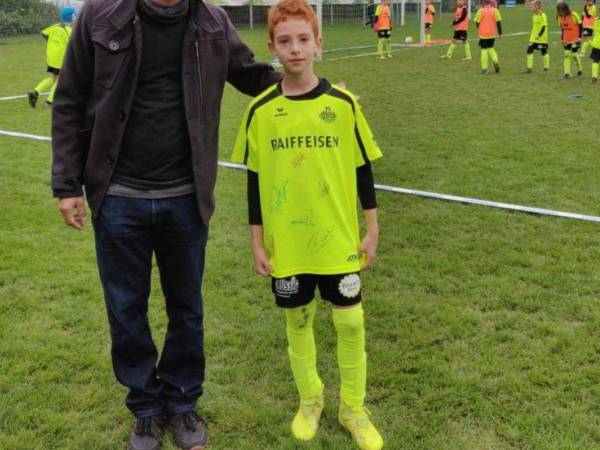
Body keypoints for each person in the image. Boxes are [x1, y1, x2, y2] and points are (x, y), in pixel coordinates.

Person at [50, 0, 281, 448]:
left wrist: (307, 84)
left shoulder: (212, 21)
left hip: (185, 198)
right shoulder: (100, 15)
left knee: (187, 309)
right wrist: (66, 184)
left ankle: (181, 402)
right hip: (117, 197)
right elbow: (70, 99)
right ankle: (145, 407)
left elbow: (252, 74)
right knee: (126, 311)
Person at [230, 0, 384, 448]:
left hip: (337, 237)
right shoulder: (260, 111)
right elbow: (254, 182)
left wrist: (371, 228)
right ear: (272, 48)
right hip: (289, 243)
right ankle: (310, 400)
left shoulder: (344, 105)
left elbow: (363, 170)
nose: (295, 49)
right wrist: (257, 241)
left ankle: (353, 409)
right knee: (297, 322)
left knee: (351, 324)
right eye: (285, 41)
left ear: (319, 43)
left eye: (303, 39)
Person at [27, 6, 76, 108]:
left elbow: (43, 33)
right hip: (60, 60)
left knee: (54, 79)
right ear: (73, 17)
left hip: (51, 59)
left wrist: (53, 44)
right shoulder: (69, 31)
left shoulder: (55, 26)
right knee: (60, 80)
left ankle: (35, 92)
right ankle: (49, 102)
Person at [474, 0, 503, 74]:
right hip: (492, 33)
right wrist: (500, 33)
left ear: (483, 2)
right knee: (491, 48)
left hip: (483, 34)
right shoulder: (495, 10)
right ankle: (495, 61)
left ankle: (484, 69)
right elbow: (498, 22)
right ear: (490, 2)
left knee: (484, 50)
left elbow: (477, 22)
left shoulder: (480, 10)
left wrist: (480, 29)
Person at [557, 1, 583, 78]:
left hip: (575, 39)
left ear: (565, 9)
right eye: (559, 11)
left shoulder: (574, 15)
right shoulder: (559, 17)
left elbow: (580, 25)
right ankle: (567, 73)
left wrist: (580, 37)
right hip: (566, 39)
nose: (560, 12)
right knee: (567, 55)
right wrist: (562, 38)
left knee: (574, 54)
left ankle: (580, 69)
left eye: (561, 11)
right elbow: (562, 29)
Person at [524, 0, 549, 73]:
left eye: (533, 6)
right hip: (533, 38)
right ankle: (529, 69)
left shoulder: (542, 15)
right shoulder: (534, 15)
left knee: (543, 51)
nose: (532, 8)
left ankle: (546, 68)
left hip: (541, 38)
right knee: (529, 50)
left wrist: (539, 35)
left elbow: (544, 26)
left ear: (538, 7)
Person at [590, 15, 600, 82]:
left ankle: (594, 76)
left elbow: (592, 29)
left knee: (595, 61)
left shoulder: (596, 20)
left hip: (596, 44)